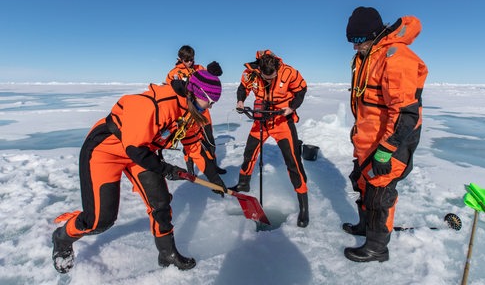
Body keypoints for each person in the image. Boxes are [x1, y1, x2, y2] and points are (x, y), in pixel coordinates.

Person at [51, 62, 227, 273]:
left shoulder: (192, 114)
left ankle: (167, 253)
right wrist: (166, 169)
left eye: (213, 102)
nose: (210, 107)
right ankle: (61, 238)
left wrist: (214, 179)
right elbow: (135, 149)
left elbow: (195, 148)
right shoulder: (158, 104)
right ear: (194, 92)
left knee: (160, 203)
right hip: (105, 150)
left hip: (141, 152)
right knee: (99, 220)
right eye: (207, 101)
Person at [342, 7, 428, 262]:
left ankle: (377, 248)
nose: (356, 48)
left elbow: (405, 114)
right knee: (362, 183)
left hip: (390, 143)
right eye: (352, 43)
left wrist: (386, 149)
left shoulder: (396, 57)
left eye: (359, 42)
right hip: (367, 140)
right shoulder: (368, 55)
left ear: (374, 34)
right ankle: (365, 227)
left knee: (379, 194)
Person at [230, 50, 309, 227]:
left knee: (293, 161)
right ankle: (243, 184)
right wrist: (241, 101)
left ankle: (304, 205)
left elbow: (301, 90)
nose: (268, 80)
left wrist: (292, 107)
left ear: (277, 69)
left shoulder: (289, 73)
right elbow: (243, 88)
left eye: (271, 77)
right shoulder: (251, 73)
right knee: (249, 153)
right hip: (261, 119)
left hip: (282, 119)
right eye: (265, 78)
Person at [165, 45, 226, 175]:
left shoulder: (200, 69)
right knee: (190, 145)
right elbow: (170, 94)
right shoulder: (173, 74)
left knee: (210, 142)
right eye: (186, 60)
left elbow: (211, 80)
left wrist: (215, 71)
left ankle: (213, 167)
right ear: (180, 59)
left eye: (192, 59)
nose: (190, 62)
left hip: (203, 115)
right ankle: (190, 169)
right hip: (187, 115)